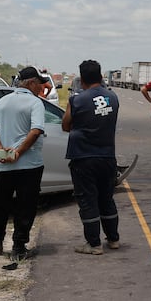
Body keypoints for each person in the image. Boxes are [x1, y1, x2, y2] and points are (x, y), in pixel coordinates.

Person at [0, 66, 48, 260]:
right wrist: (18, 152)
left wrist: (0, 151)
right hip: (29, 165)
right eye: (39, 83)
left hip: (5, 165)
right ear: (30, 83)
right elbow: (36, 130)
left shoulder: (3, 102)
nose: (42, 87)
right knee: (25, 205)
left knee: (1, 203)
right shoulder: (35, 103)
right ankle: (19, 246)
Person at [62, 59, 120, 255]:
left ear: (82, 79)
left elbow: (65, 125)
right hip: (108, 156)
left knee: (88, 200)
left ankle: (93, 244)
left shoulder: (77, 100)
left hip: (84, 157)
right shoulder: (113, 98)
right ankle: (113, 239)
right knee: (106, 199)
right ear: (101, 76)